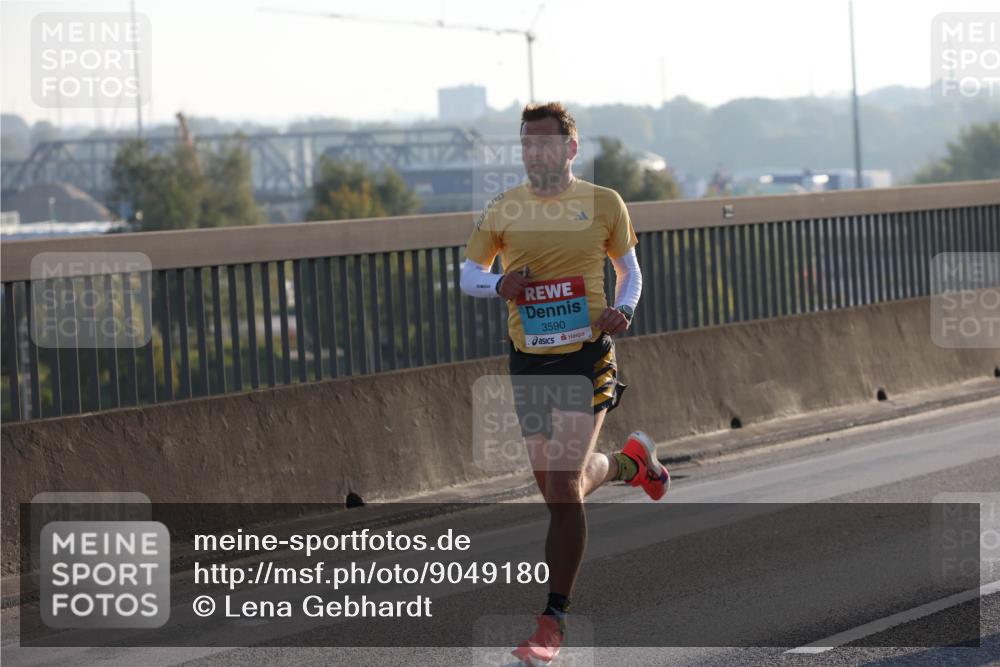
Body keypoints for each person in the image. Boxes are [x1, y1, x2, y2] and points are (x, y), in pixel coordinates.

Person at [460, 102, 670, 666]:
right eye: (527, 144)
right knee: (559, 491)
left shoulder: (604, 203)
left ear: (570, 149)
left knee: (561, 487)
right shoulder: (505, 207)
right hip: (530, 362)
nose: (536, 152)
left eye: (546, 143)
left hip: (587, 358)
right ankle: (629, 464)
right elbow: (469, 274)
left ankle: (552, 621)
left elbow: (630, 272)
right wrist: (499, 285)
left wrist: (624, 309)